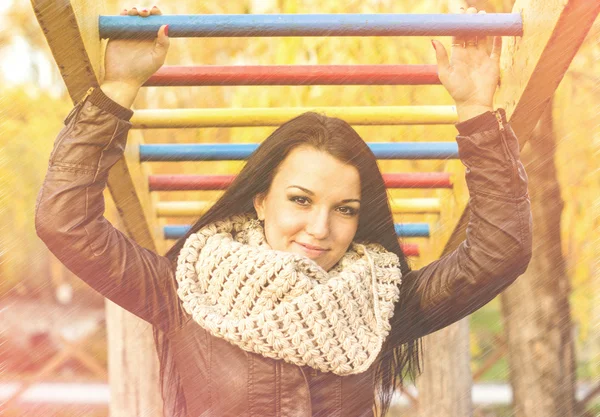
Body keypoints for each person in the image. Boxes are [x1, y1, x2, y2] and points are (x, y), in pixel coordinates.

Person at [34, 5, 532, 417]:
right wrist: (119, 87)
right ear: (260, 200)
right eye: (300, 200)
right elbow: (65, 222)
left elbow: (500, 251)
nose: (320, 228)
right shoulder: (183, 292)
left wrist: (475, 110)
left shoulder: (381, 302)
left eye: (346, 209)